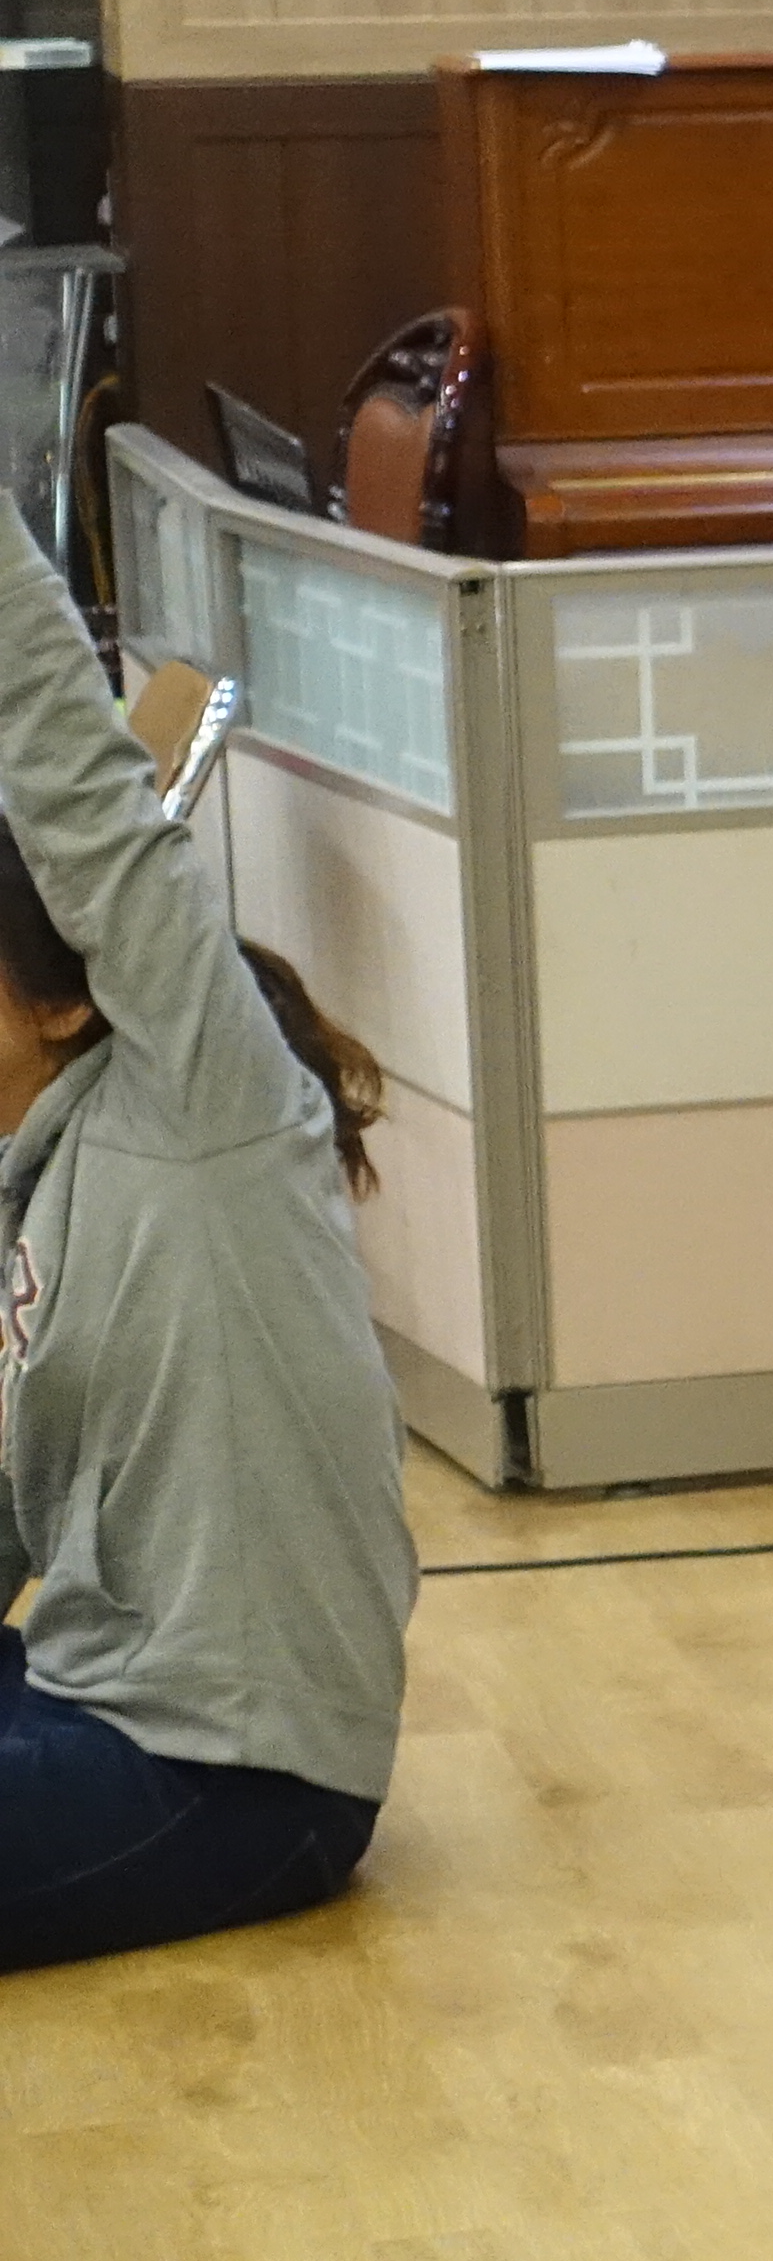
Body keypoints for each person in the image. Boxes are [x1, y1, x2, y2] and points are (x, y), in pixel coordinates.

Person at [0, 530, 414, 1974]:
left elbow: (76, 775)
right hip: (83, 1701)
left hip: (236, 1781)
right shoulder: (31, 1170)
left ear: (67, 1000)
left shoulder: (201, 1100)